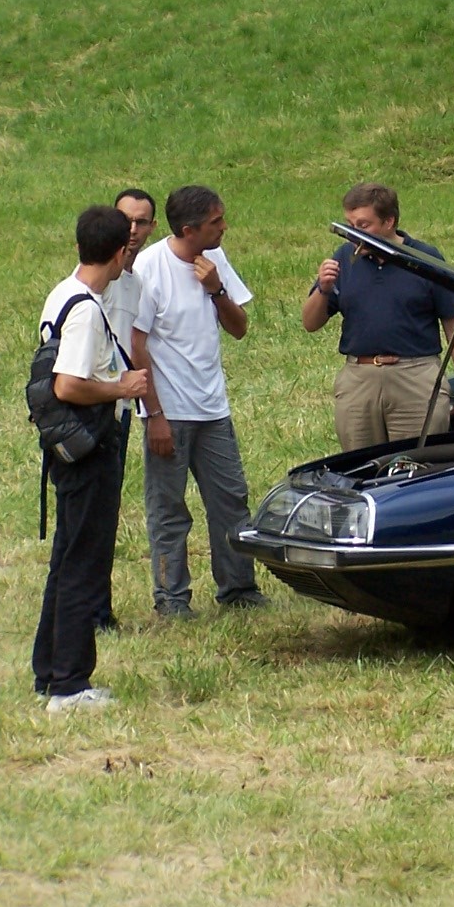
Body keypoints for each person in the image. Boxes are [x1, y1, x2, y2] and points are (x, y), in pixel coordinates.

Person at [32, 206, 150, 712]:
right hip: (90, 448)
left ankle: (48, 671)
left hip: (69, 451)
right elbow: (69, 385)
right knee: (84, 563)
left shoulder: (63, 291)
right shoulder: (84, 308)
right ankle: (70, 687)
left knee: (66, 558)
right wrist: (121, 386)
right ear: (121, 250)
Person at [132, 185, 266, 616]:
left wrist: (216, 289)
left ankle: (239, 590)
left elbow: (240, 327)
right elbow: (137, 345)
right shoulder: (149, 268)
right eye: (216, 222)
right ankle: (171, 598)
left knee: (231, 501)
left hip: (213, 410)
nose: (224, 226)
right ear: (188, 229)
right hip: (169, 412)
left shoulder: (214, 259)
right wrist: (154, 415)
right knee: (168, 509)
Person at [301, 183, 454, 450]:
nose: (353, 235)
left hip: (415, 377)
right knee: (361, 468)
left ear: (389, 221)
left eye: (363, 225)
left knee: (417, 467)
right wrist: (323, 290)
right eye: (349, 224)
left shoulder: (425, 259)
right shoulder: (343, 259)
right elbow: (310, 323)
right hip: (359, 379)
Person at [92, 187, 158, 632]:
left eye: (142, 222)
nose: (133, 231)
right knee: (90, 512)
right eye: (126, 221)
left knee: (106, 509)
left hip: (116, 411)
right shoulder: (96, 282)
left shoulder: (134, 282)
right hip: (92, 407)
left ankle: (98, 606)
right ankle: (92, 611)